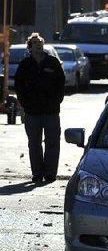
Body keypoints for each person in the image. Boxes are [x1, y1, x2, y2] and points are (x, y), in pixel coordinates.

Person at [13, 32, 65, 183]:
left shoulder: (53, 63)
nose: (38, 45)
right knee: (34, 143)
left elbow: (60, 84)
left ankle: (50, 173)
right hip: (32, 112)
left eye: (40, 42)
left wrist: (57, 101)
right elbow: (19, 86)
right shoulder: (25, 65)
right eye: (35, 43)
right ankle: (37, 173)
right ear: (30, 47)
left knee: (52, 142)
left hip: (51, 111)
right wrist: (24, 104)